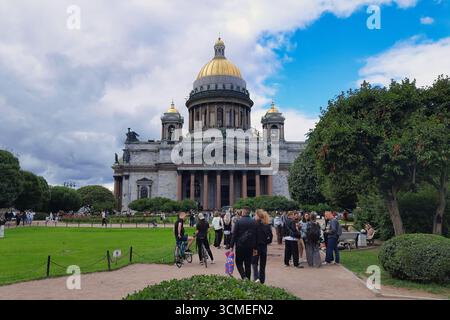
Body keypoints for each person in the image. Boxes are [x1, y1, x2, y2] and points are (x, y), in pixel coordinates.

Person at [230, 207, 257, 280]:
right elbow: (256, 235)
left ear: (243, 212)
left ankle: (243, 276)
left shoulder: (238, 222)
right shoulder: (254, 222)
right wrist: (255, 247)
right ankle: (247, 279)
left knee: (238, 262)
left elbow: (234, 235)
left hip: (240, 245)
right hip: (250, 246)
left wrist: (231, 246)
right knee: (248, 264)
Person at [252, 209, 273, 283]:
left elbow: (252, 236)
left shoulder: (254, 224)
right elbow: (270, 237)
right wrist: (266, 242)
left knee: (254, 262)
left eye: (255, 215)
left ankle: (256, 278)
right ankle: (262, 280)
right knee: (263, 264)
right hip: (264, 247)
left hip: (255, 248)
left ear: (257, 215)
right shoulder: (266, 225)